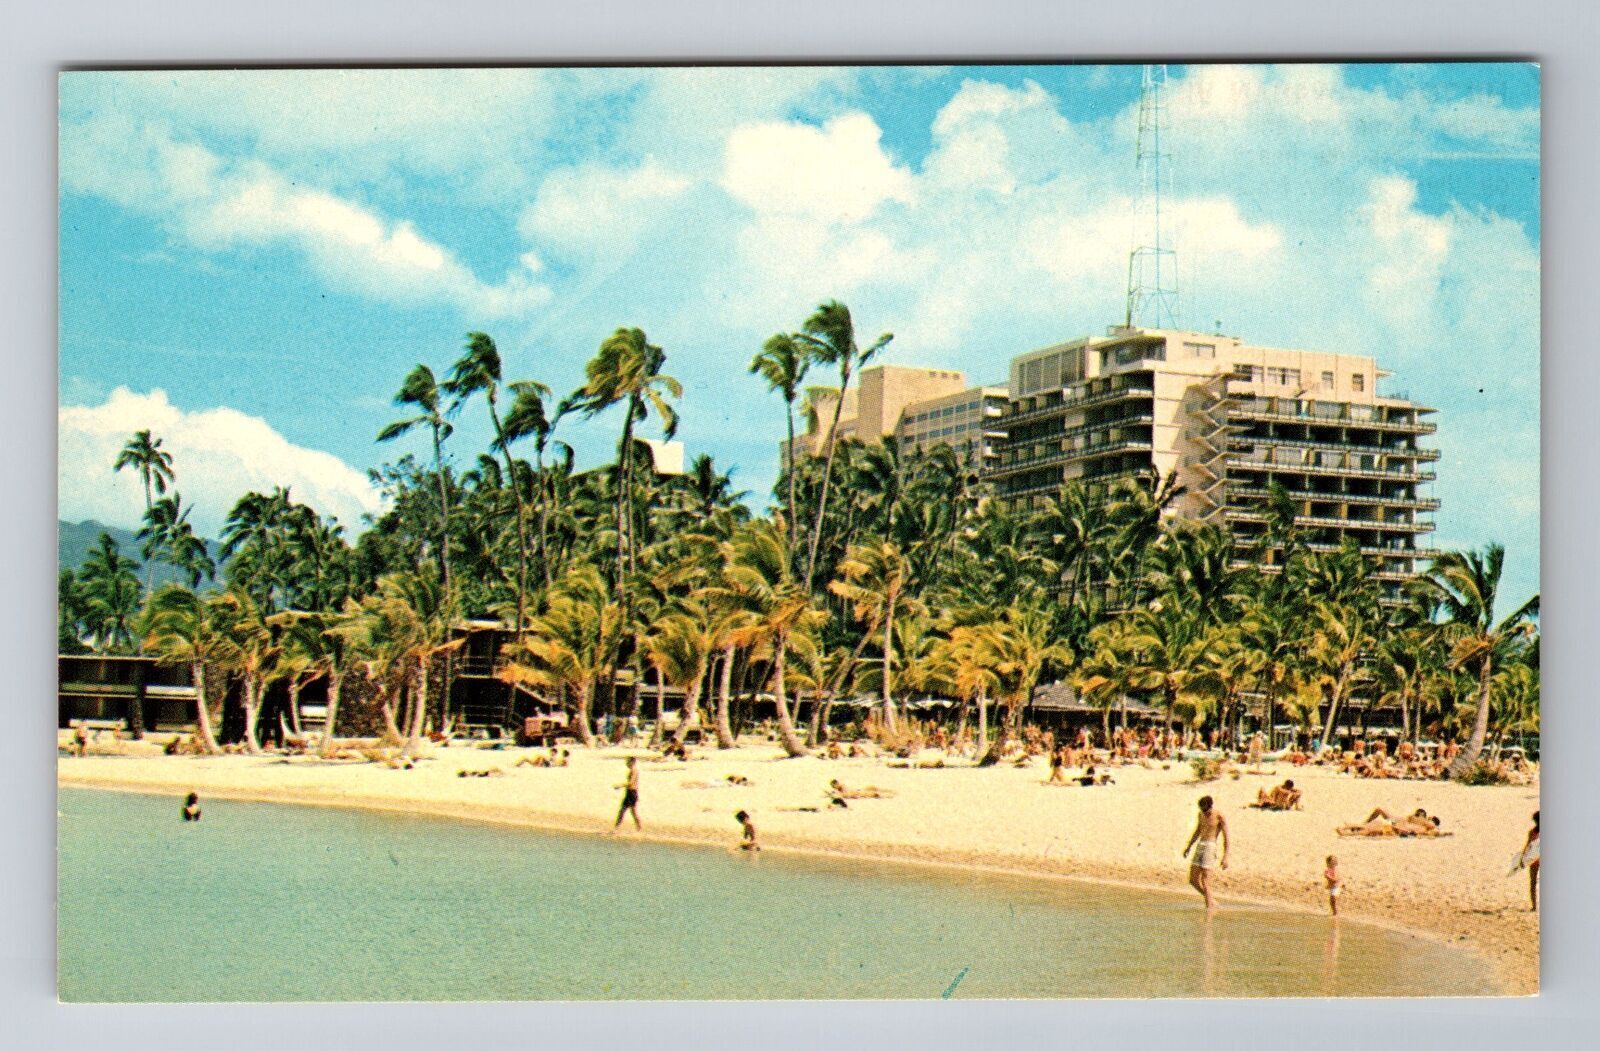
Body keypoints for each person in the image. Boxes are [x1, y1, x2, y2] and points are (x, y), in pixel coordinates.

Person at [1183, 795, 1229, 911]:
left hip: (1210, 845)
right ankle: (1211, 901)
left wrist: (1225, 857)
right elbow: (1198, 831)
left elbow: (1226, 837)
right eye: (1202, 809)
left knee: (1205, 880)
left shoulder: (1219, 816)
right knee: (1193, 879)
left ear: (1210, 806)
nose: (1205, 812)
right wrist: (1189, 846)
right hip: (1200, 845)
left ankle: (1209, 909)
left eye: (1206, 810)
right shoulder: (1201, 814)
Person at [1517, 811, 1540, 911]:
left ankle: (1535, 906)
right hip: (1535, 861)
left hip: (1533, 861)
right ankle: (1535, 906)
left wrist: (1522, 858)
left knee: (1533, 883)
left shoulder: (1532, 833)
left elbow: (1527, 846)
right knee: (1534, 883)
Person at [613, 757, 641, 831]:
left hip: (632, 793)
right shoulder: (631, 771)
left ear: (632, 762)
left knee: (633, 812)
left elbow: (631, 783)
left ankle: (639, 828)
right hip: (629, 792)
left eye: (628, 762)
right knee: (622, 810)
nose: (626, 763)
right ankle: (616, 828)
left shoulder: (634, 771)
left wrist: (620, 785)